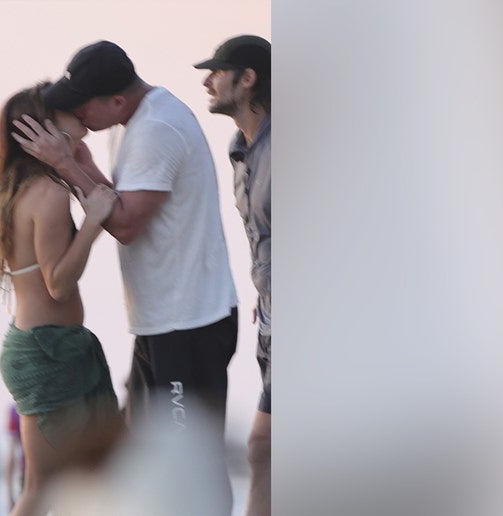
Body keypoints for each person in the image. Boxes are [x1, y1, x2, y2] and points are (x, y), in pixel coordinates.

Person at [12, 40, 238, 514]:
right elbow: (123, 200)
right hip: (161, 322)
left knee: (186, 461)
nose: (76, 112)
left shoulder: (157, 128)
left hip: (187, 322)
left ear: (116, 100)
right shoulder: (133, 123)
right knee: (142, 459)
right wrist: (85, 167)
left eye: (82, 104)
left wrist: (66, 166)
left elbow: (128, 224)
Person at [0, 82, 125, 516]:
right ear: (42, 126)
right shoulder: (49, 193)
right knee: (43, 489)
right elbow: (58, 284)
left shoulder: (17, 187)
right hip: (48, 351)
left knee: (67, 483)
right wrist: (93, 223)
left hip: (44, 346)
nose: (76, 110)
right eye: (64, 108)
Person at [194, 35, 272, 516]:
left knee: (263, 447)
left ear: (248, 79)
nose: (208, 81)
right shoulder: (239, 151)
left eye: (218, 72)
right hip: (272, 321)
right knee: (266, 450)